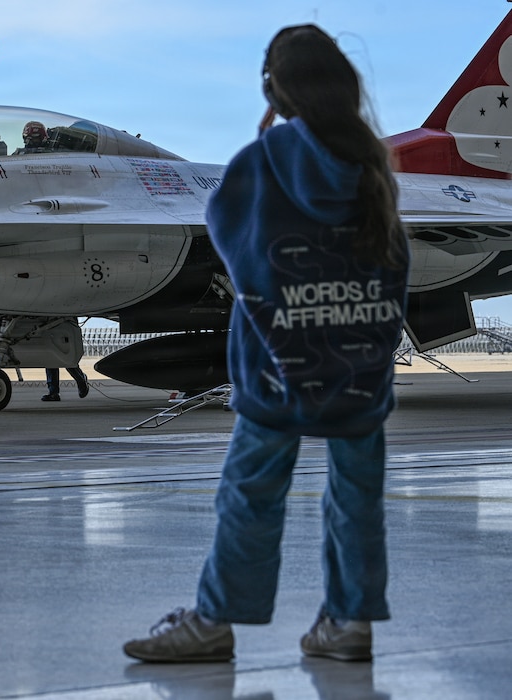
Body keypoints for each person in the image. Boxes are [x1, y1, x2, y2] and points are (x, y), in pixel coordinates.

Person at [123, 24, 409, 664]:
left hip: (279, 365)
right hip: (360, 366)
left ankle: (215, 622)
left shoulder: (264, 159)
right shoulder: (371, 162)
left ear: (273, 89)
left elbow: (230, 236)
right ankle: (349, 623)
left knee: (250, 493)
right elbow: (395, 260)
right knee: (356, 497)